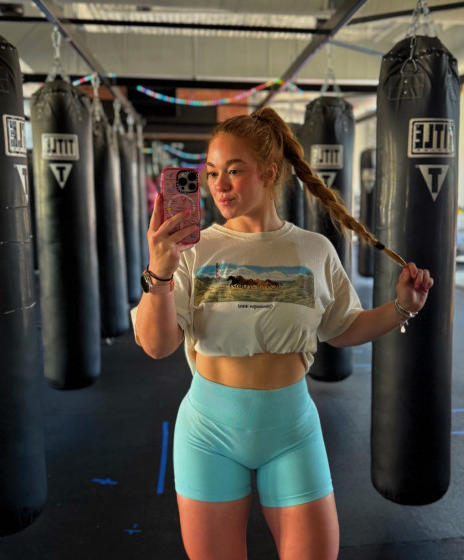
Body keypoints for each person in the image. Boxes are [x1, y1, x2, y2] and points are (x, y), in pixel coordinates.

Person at [132, 107, 433, 560]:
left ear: (269, 173)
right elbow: (158, 346)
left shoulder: (313, 249)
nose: (219, 185)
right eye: (212, 172)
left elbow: (343, 327)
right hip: (209, 432)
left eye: (234, 171)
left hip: (291, 429)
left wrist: (402, 307)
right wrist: (159, 271)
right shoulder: (191, 250)